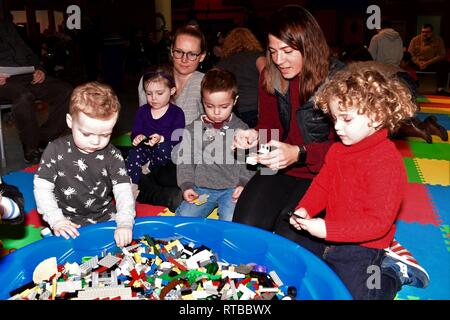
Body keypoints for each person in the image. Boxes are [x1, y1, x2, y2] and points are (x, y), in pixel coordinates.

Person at [289, 65, 429, 299]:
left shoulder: (387, 163)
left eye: (346, 119)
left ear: (376, 117)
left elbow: (377, 224)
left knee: (363, 294)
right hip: (333, 233)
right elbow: (322, 185)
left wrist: (327, 229)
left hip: (367, 243)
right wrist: (305, 208)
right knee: (297, 268)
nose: (336, 127)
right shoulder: (337, 151)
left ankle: (395, 270)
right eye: (334, 118)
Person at [231, 5, 343, 239]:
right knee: (245, 228)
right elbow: (270, 128)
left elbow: (348, 151)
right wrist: (253, 136)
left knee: (287, 238)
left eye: (287, 51)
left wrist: (300, 153)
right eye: (272, 51)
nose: (279, 60)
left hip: (324, 174)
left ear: (308, 46)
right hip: (280, 168)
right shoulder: (270, 74)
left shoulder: (338, 80)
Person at [33, 82, 135, 247]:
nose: (95, 141)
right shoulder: (55, 149)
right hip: (66, 220)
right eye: (86, 133)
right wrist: (56, 219)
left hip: (104, 217)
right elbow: (42, 188)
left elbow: (123, 191)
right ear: (69, 121)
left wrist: (124, 223)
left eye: (105, 134)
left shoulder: (113, 155)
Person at [136, 25, 207, 212]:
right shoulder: (151, 81)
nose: (184, 59)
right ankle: (158, 191)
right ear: (171, 51)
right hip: (156, 156)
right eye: (179, 52)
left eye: (192, 54)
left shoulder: (205, 84)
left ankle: (154, 192)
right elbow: (143, 124)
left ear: (202, 56)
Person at [173, 68, 254, 221]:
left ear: (235, 101)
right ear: (202, 101)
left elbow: (248, 161)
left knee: (232, 220)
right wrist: (187, 185)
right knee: (184, 217)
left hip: (231, 189)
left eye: (224, 107)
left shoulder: (242, 129)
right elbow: (185, 161)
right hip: (201, 188)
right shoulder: (193, 129)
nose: (216, 112)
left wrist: (243, 184)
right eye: (209, 106)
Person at [0, 17, 72, 164]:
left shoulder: (5, 23)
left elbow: (27, 51)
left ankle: (42, 138)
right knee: (23, 96)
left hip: (26, 74)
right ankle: (31, 148)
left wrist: (39, 69)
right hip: (3, 82)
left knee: (67, 91)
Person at [126, 67, 185, 194]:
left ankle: (148, 166)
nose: (153, 98)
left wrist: (161, 138)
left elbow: (178, 135)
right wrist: (138, 137)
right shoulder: (142, 111)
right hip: (145, 148)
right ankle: (132, 185)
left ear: (172, 91)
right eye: (149, 93)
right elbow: (136, 130)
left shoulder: (176, 112)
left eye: (159, 93)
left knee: (164, 149)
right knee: (133, 153)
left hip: (166, 149)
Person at [217, 27, 266, 128]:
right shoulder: (258, 57)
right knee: (265, 142)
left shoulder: (221, 64)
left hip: (231, 114)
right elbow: (269, 78)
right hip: (256, 110)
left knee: (234, 143)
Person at [408, 23, 450, 94]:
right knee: (406, 62)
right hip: (417, 63)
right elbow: (410, 54)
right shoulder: (415, 40)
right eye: (423, 32)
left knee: (444, 64)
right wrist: (418, 62)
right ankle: (409, 88)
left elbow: (441, 54)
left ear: (431, 32)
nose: (424, 34)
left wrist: (427, 63)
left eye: (427, 32)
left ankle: (440, 89)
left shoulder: (438, 40)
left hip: (432, 63)